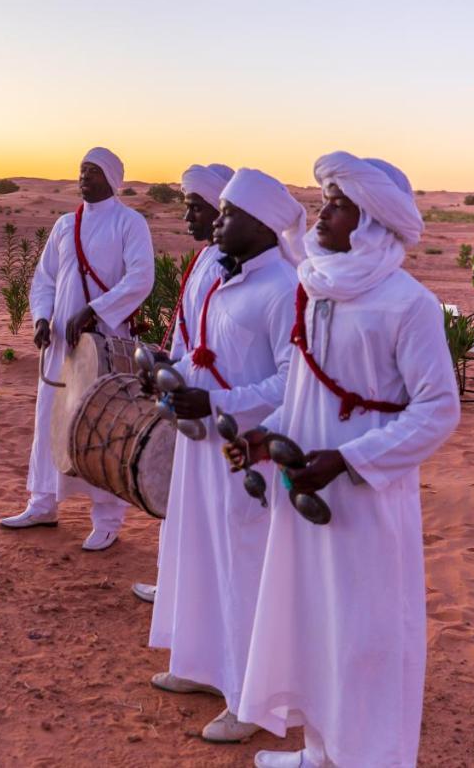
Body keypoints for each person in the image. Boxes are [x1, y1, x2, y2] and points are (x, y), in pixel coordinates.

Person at [228, 153, 461, 768]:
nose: (323, 213)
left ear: (372, 219)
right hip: (303, 492)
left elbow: (438, 409)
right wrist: (266, 435)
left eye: (337, 203)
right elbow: (305, 392)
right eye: (326, 200)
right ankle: (319, 752)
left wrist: (350, 461)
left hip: (364, 504)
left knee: (363, 635)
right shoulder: (315, 284)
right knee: (312, 624)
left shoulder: (408, 304)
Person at [148, 168, 304, 744]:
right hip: (203, 444)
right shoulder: (224, 280)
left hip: (248, 453)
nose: (217, 221)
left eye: (228, 214)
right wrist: (171, 380)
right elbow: (204, 354)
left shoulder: (285, 289)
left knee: (244, 566)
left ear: (263, 225)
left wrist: (216, 400)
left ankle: (252, 697)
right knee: (202, 551)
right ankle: (204, 666)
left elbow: (292, 387)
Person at [0, 147, 154, 550]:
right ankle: (43, 503)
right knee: (51, 418)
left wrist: (93, 310)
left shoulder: (130, 222)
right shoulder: (65, 224)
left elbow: (141, 278)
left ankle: (106, 519)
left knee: (100, 424)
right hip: (59, 345)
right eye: (82, 169)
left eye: (93, 170)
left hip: (104, 341)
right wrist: (41, 319)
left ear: (112, 179)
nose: (83, 176)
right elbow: (45, 278)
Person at [131, 163, 234, 604]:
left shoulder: (225, 264)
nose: (187, 217)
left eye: (195, 207)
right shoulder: (205, 257)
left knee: (207, 502)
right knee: (184, 496)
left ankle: (191, 591)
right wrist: (166, 359)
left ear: (219, 209)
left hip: (213, 401)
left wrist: (184, 372)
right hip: (189, 390)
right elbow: (189, 328)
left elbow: (217, 339)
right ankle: (175, 584)